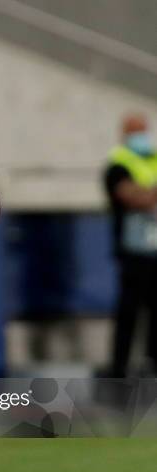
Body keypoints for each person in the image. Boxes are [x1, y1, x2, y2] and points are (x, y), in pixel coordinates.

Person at [104, 113, 157, 377]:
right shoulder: (118, 165)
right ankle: (119, 375)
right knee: (129, 315)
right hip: (133, 253)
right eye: (136, 131)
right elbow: (136, 198)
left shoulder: (153, 160)